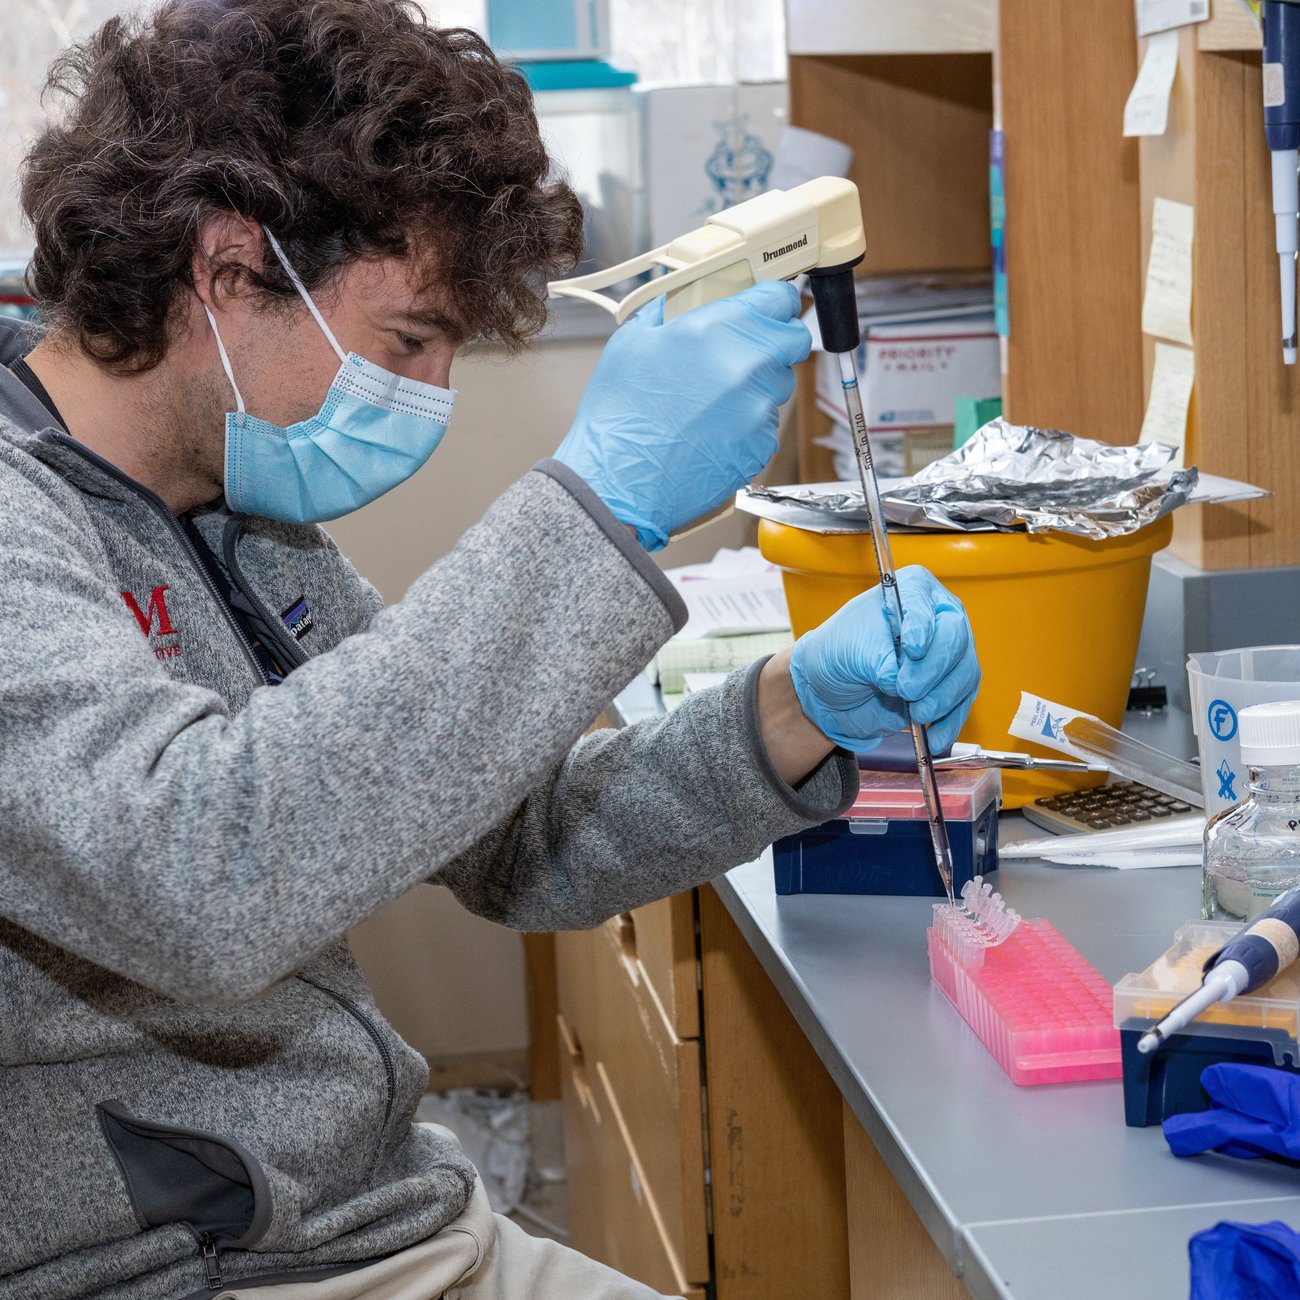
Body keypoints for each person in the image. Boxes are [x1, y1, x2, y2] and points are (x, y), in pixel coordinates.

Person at [0, 2, 980, 1297]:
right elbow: (198, 874)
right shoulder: (25, 523)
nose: (429, 398)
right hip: (182, 1269)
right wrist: (601, 505)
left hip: (367, 1214)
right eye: (409, 341)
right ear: (230, 267)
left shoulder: (239, 517)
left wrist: (793, 708)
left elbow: (513, 842)